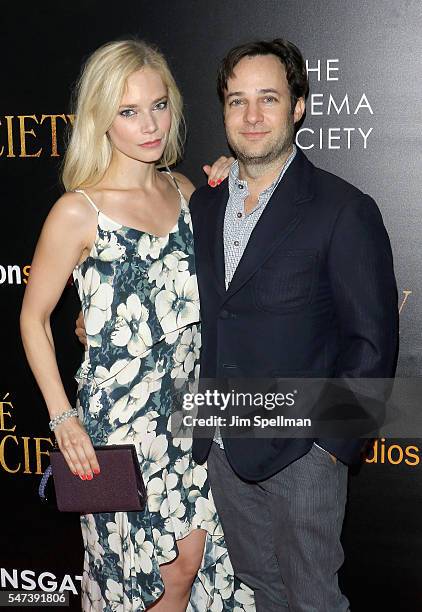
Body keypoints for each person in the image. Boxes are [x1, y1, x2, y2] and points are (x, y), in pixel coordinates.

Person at [20, 39, 254, 612]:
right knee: (152, 580)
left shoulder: (186, 191)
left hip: (194, 419)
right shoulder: (78, 211)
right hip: (120, 430)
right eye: (128, 111)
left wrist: (235, 181)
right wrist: (63, 419)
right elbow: (33, 318)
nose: (149, 125)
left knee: (194, 567)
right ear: (102, 119)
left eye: (158, 105)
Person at [188, 39, 399, 611]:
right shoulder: (203, 204)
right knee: (263, 595)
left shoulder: (343, 208)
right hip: (224, 444)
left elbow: (372, 342)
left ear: (299, 106)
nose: (252, 116)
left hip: (302, 453)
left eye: (268, 99)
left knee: (313, 601)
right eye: (237, 101)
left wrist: (329, 447)